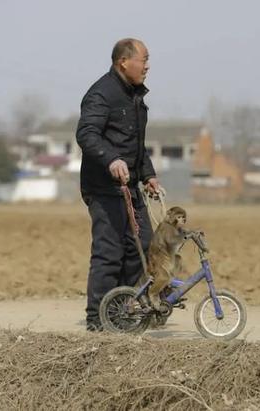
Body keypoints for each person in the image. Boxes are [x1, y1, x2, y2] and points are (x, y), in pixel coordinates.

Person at [76, 38, 160, 331]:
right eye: (144, 59)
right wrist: (110, 159)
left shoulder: (134, 97)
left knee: (142, 246)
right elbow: (87, 134)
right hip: (103, 188)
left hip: (130, 188)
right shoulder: (101, 94)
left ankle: (121, 311)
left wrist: (147, 174)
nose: (148, 66)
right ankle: (97, 322)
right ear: (124, 62)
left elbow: (135, 144)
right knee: (109, 253)